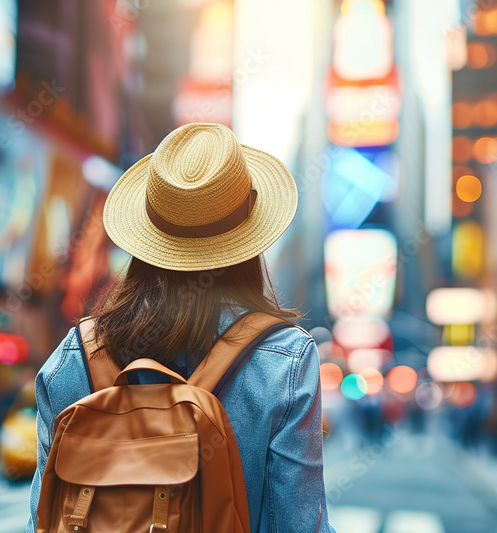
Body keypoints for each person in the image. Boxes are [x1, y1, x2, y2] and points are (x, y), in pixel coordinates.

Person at [26, 123, 334, 532]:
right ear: (248, 241)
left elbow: (41, 521)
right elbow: (298, 527)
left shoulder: (75, 357)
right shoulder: (286, 361)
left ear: (147, 237)